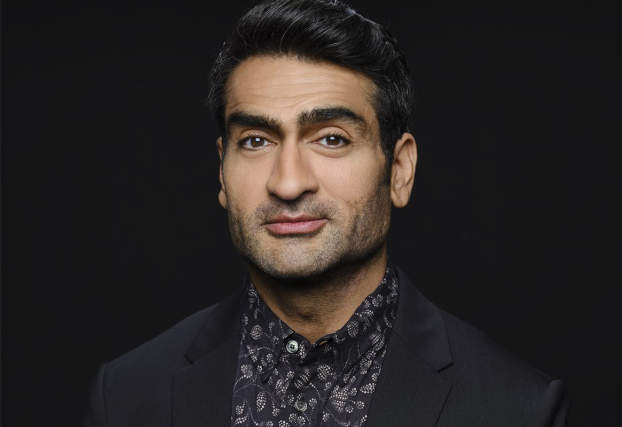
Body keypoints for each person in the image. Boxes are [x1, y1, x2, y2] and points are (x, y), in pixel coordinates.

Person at [83, 1, 570, 426]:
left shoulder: (516, 409)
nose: (288, 182)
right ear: (222, 172)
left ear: (399, 170)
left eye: (332, 138)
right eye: (255, 141)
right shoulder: (126, 396)